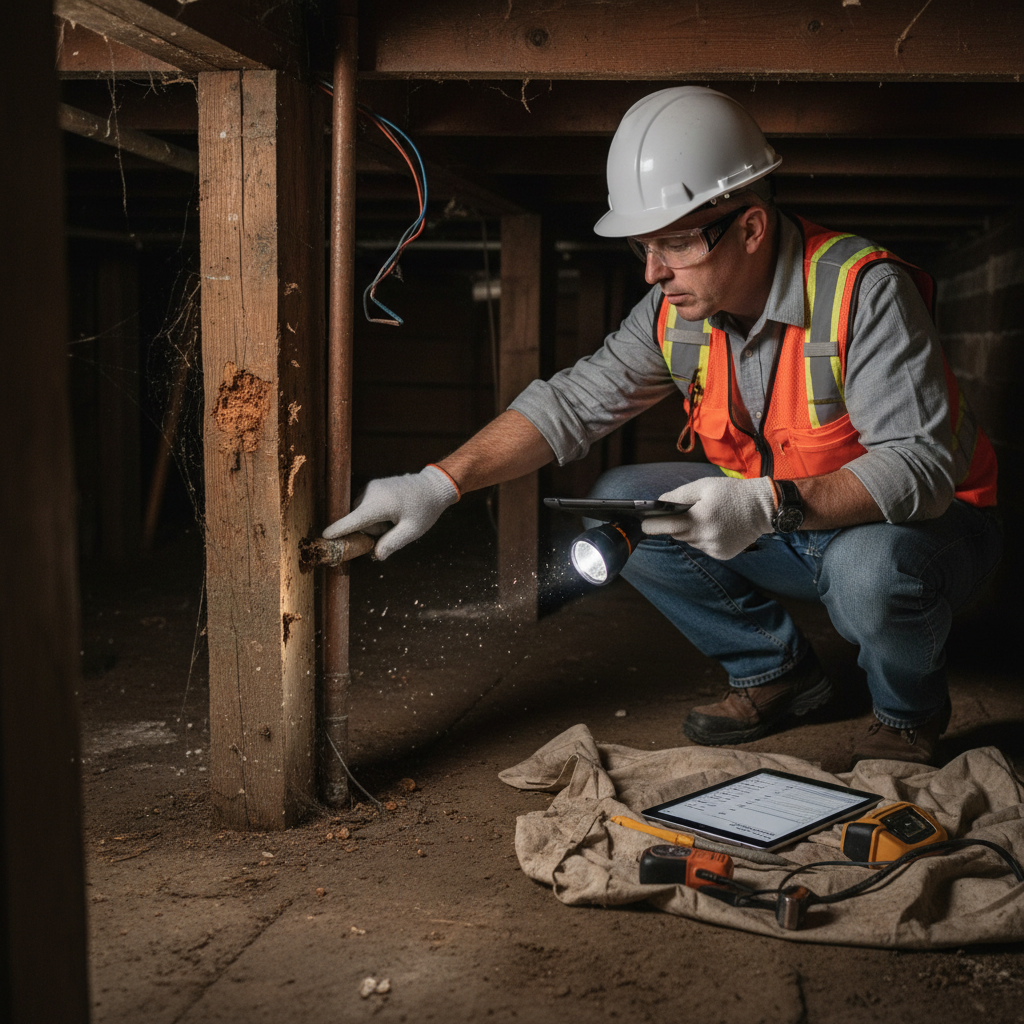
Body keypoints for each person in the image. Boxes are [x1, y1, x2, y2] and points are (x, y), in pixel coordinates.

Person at [324, 87, 1002, 768]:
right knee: (629, 504)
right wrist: (440, 483)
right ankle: (778, 675)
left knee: (868, 571)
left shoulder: (864, 290)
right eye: (645, 247)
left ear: (751, 228)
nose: (654, 271)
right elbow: (570, 403)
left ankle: (907, 715)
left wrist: (768, 503)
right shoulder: (673, 310)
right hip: (785, 524)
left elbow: (920, 466)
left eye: (675, 243)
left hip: (925, 533)